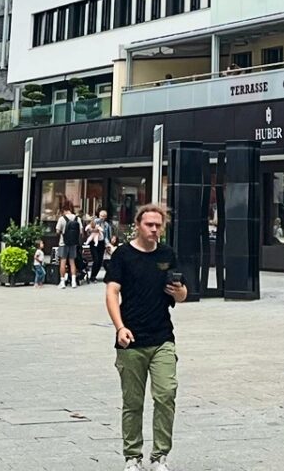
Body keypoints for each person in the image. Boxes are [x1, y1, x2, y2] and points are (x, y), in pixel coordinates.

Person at [106, 202, 187, 471]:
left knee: (166, 394)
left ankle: (160, 456)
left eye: (158, 225)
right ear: (138, 225)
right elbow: (112, 292)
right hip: (131, 339)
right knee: (133, 402)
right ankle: (132, 456)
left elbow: (182, 294)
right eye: (149, 224)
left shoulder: (167, 254)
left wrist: (179, 293)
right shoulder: (123, 255)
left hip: (163, 336)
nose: (154, 229)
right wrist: (120, 327)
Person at [57, 200, 82, 289]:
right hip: (73, 243)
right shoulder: (77, 218)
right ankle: (74, 282)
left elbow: (58, 230)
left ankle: (62, 282)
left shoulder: (62, 219)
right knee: (72, 262)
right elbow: (81, 231)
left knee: (63, 262)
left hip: (63, 243)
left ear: (64, 209)